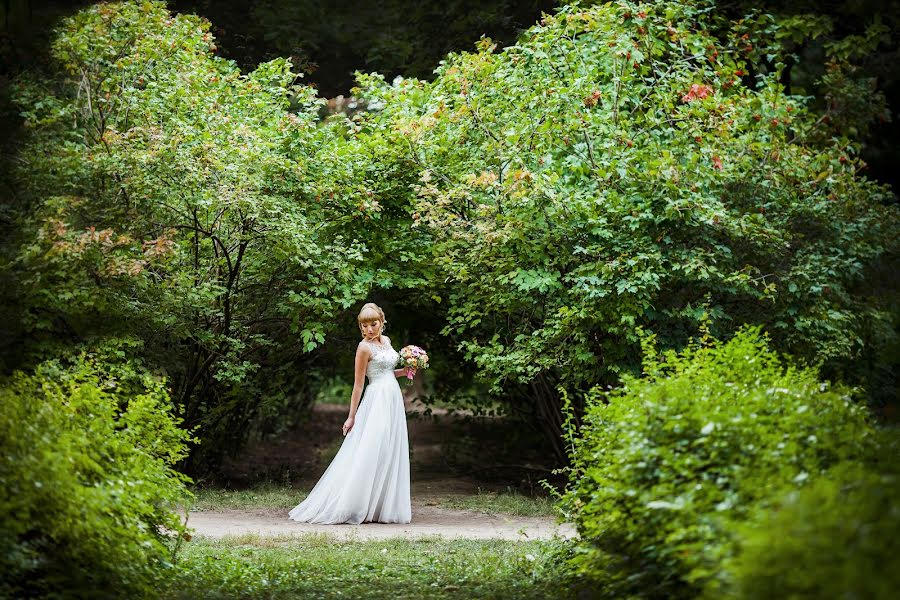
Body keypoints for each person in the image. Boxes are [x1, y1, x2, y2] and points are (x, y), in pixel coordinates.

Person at [288, 302, 413, 524]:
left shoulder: (387, 342)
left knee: (388, 449)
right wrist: (351, 415)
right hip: (376, 401)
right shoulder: (363, 348)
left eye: (373, 324)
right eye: (364, 326)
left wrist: (406, 370)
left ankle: (379, 506)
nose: (369, 330)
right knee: (371, 448)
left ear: (382, 322)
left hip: (392, 398)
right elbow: (358, 384)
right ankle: (355, 503)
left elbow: (387, 372)